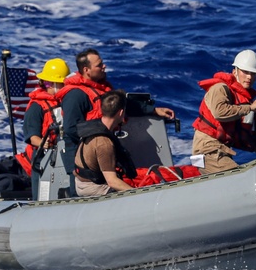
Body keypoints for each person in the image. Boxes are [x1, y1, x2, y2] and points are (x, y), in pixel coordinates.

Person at [59, 48, 175, 194]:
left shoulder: (102, 89)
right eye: (99, 65)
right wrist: (95, 143)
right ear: (86, 69)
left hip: (101, 152)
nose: (104, 67)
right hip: (80, 158)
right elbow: (71, 129)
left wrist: (153, 110)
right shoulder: (75, 96)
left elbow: (120, 105)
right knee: (81, 195)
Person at [191, 49, 256, 174]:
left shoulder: (243, 99)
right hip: (208, 149)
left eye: (253, 73)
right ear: (235, 71)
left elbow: (239, 132)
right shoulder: (220, 88)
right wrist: (250, 108)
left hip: (221, 150)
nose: (249, 77)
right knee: (239, 180)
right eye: (245, 72)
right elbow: (219, 112)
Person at [17, 57, 69, 198]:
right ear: (50, 84)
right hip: (44, 157)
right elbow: (31, 135)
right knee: (42, 192)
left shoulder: (66, 102)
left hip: (64, 153)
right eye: (61, 83)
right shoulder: (36, 107)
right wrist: (41, 142)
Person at [72, 89, 137, 197]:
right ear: (121, 113)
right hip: (93, 187)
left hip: (81, 182)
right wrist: (137, 194)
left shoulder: (92, 128)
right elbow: (112, 181)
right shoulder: (104, 143)